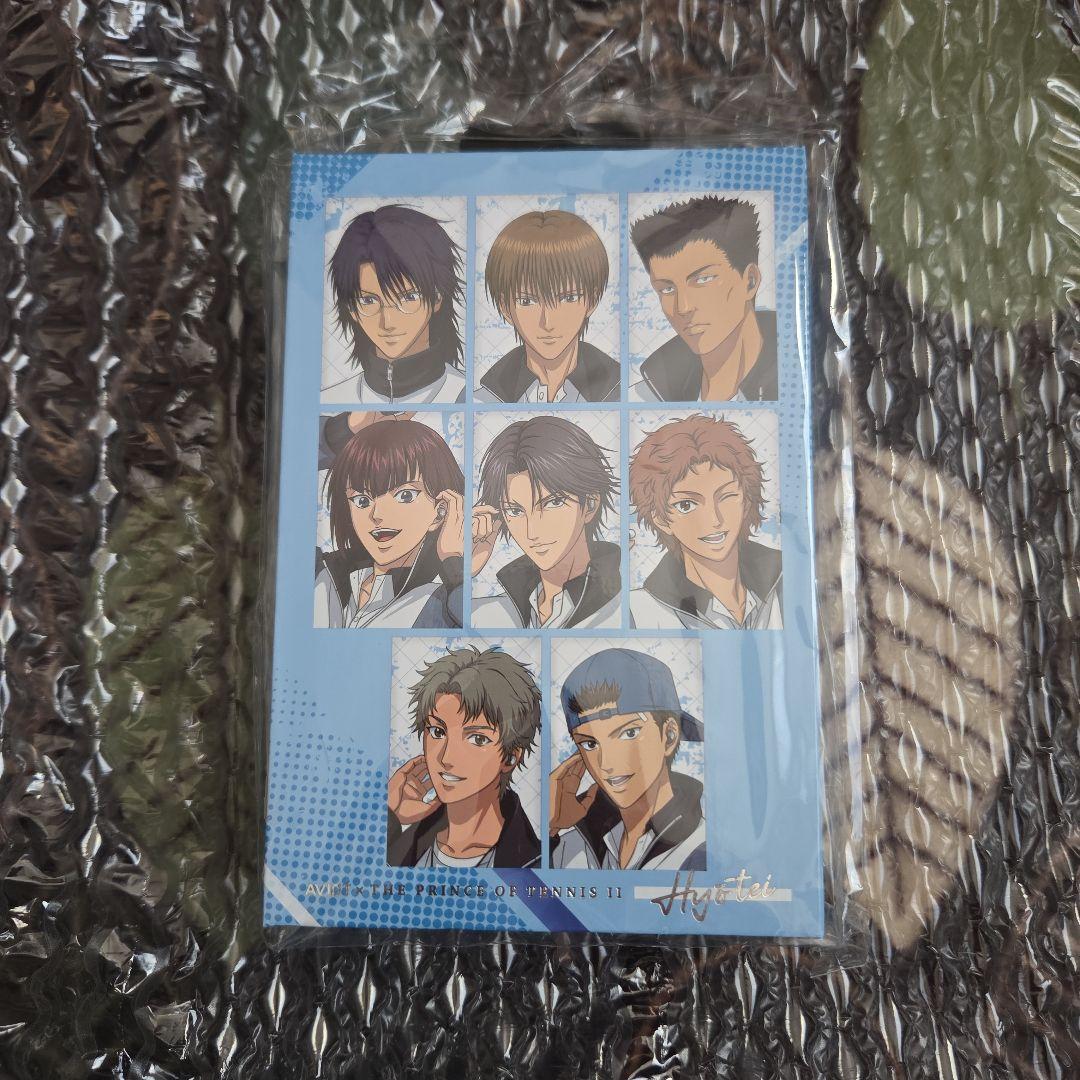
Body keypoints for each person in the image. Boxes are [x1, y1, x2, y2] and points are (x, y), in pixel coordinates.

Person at [549, 648, 706, 872]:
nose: (607, 763)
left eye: (629, 733)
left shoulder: (702, 850)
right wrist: (551, 829)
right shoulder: (569, 848)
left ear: (669, 736)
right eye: (590, 744)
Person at [387, 646, 542, 869]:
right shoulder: (401, 846)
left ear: (510, 757)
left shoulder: (534, 861)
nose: (447, 757)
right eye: (438, 732)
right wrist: (390, 817)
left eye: (477, 739)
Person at [628, 415, 782, 630]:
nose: (714, 520)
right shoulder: (639, 611)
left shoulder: (786, 578)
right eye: (686, 505)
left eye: (726, 496)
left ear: (746, 500)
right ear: (661, 519)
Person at [468, 415, 621, 629]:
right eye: (515, 511)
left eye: (553, 502)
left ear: (590, 504)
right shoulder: (488, 614)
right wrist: (464, 571)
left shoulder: (622, 610)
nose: (532, 531)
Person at [314, 419, 466, 629]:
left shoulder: (442, 603)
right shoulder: (322, 573)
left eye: (405, 496)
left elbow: (479, 636)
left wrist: (453, 562)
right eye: (362, 500)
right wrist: (343, 428)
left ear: (440, 512)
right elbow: (290, 455)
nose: (377, 515)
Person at [630, 196, 777, 402]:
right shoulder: (643, 396)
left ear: (750, 282)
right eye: (667, 289)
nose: (683, 307)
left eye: (703, 279)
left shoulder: (796, 379)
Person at [323, 205, 466, 404]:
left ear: (437, 298)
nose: (388, 322)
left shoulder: (469, 397)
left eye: (408, 298)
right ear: (351, 308)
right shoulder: (330, 404)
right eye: (368, 301)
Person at [476, 210, 619, 404]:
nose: (548, 322)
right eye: (527, 301)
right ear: (505, 307)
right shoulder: (483, 401)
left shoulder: (620, 393)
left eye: (568, 298)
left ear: (591, 301)